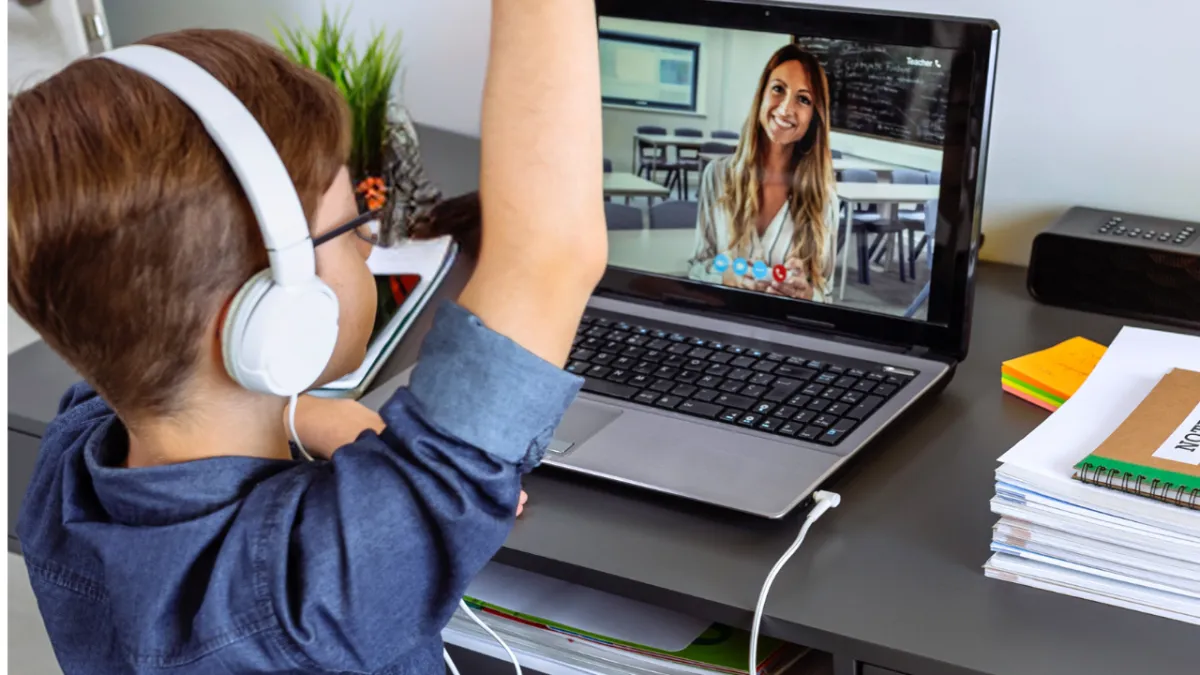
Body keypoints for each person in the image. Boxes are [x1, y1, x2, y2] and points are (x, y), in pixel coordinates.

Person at [7, 1, 606, 672]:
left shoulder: (64, 478)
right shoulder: (312, 599)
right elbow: (548, 256)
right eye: (350, 230)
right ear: (271, 315)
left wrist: (303, 410)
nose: (369, 248)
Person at [687, 44, 838, 301]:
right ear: (762, 95)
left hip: (783, 328)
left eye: (803, 99)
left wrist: (807, 293)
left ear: (814, 116)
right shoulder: (717, 175)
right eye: (778, 89)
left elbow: (825, 292)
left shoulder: (824, 199)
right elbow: (697, 267)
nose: (786, 109)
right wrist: (725, 277)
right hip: (723, 318)